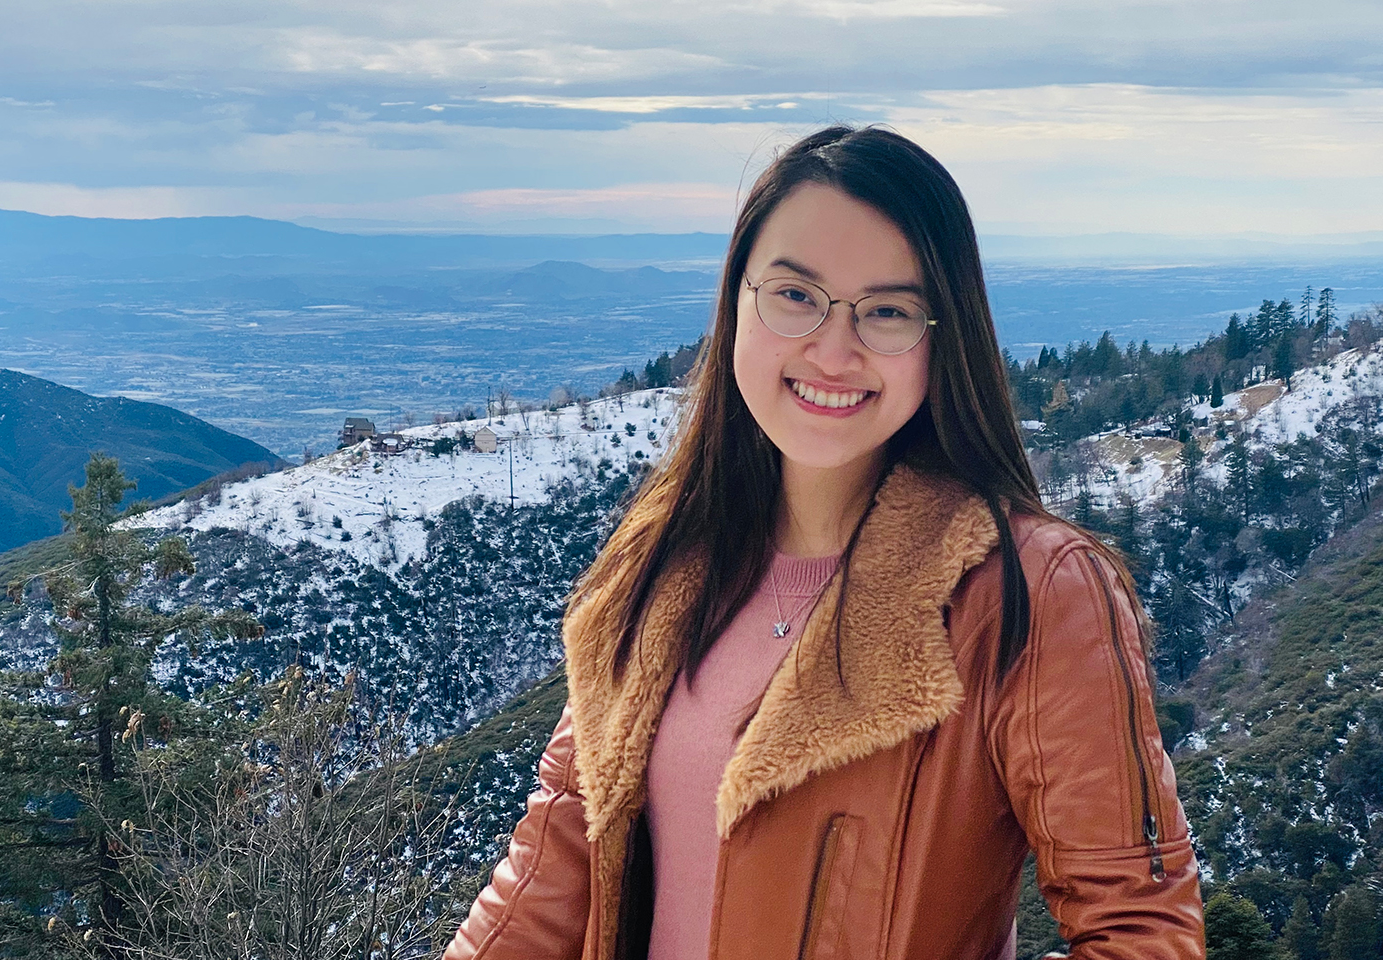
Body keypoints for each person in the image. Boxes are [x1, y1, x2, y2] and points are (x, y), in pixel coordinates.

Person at [443, 126, 1205, 960]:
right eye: (796, 296)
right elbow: (547, 880)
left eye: (886, 311)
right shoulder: (659, 564)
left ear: (939, 339)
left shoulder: (1027, 589)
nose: (833, 351)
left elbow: (1139, 932)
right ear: (736, 300)